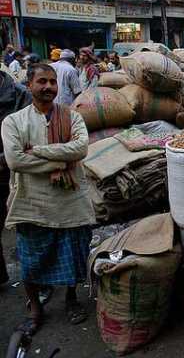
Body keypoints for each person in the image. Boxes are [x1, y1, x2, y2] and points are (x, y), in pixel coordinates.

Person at [1, 63, 95, 335]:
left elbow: (80, 148)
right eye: (42, 81)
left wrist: (39, 151)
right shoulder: (14, 121)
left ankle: (70, 299)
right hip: (32, 203)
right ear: (29, 84)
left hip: (68, 202)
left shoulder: (71, 117)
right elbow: (16, 160)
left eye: (52, 82)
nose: (48, 87)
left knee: (72, 255)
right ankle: (34, 308)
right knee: (31, 261)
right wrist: (62, 162)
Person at [0, 69, 31, 285]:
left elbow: (32, 136)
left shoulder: (20, 95)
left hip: (16, 172)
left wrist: (6, 157)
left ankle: (39, 281)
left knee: (26, 228)